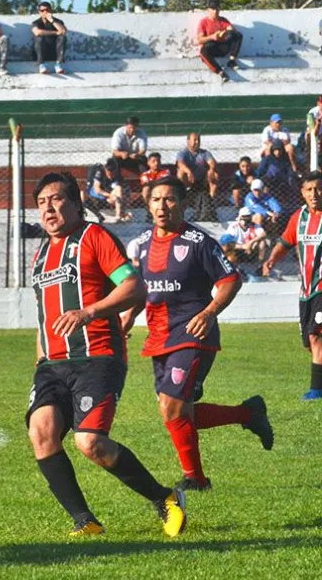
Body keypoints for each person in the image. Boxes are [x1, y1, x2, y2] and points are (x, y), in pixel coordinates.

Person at [27, 171, 186, 538]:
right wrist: (40, 357)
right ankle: (86, 521)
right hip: (52, 364)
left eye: (56, 199)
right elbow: (45, 315)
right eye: (41, 203)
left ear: (75, 203)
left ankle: (165, 498)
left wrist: (89, 312)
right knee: (42, 433)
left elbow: (134, 287)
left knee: (90, 443)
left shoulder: (94, 237)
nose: (48, 209)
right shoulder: (41, 253)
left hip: (97, 356)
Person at [122, 177, 273, 492]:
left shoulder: (198, 241)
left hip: (193, 333)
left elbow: (231, 279)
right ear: (148, 205)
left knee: (172, 408)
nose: (162, 206)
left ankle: (196, 480)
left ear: (183, 203)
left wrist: (208, 312)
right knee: (177, 411)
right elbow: (145, 290)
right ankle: (248, 413)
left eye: (170, 200)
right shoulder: (145, 242)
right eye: (156, 200)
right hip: (159, 336)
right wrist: (129, 316)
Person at [262, 171, 322, 399]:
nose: (314, 194)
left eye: (318, 188)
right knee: (309, 343)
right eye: (309, 189)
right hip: (306, 290)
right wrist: (270, 260)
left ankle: (316, 391)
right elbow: (285, 242)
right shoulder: (299, 217)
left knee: (317, 337)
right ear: (303, 193)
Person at [176, 132, 219, 222]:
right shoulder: (183, 153)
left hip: (203, 180)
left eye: (198, 140)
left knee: (215, 175)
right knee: (180, 173)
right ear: (188, 141)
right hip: (189, 180)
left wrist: (211, 169)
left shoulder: (204, 153)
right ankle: (182, 194)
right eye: (194, 140)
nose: (197, 142)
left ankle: (211, 202)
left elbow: (212, 162)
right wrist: (189, 172)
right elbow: (180, 164)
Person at [197, 4, 242, 83]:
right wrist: (212, 37)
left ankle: (231, 61)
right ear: (208, 10)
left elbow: (231, 30)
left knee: (238, 35)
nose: (215, 11)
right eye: (213, 9)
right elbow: (199, 40)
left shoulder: (223, 20)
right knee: (203, 51)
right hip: (212, 48)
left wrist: (224, 33)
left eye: (217, 9)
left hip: (223, 47)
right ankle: (221, 72)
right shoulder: (204, 22)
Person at [85, 158, 130, 223]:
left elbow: (121, 189)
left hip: (110, 197)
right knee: (116, 197)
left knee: (119, 188)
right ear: (105, 170)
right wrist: (110, 195)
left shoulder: (117, 174)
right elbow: (97, 189)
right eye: (109, 174)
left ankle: (118, 215)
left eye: (113, 174)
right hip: (98, 196)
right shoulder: (100, 172)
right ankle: (123, 214)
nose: (111, 176)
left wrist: (113, 197)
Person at [256, 141, 297, 208]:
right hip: (269, 182)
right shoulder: (267, 159)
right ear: (272, 150)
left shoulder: (285, 159)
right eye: (275, 150)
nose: (277, 152)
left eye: (279, 150)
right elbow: (259, 172)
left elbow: (289, 171)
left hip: (282, 182)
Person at [31, 2, 67, 75]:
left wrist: (52, 21)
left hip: (55, 52)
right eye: (42, 10)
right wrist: (55, 32)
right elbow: (37, 32)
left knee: (62, 37)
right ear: (39, 12)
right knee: (39, 38)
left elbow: (63, 31)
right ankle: (41, 65)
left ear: (51, 10)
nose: (45, 12)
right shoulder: (36, 22)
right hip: (41, 53)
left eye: (47, 10)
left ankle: (58, 65)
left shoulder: (58, 21)